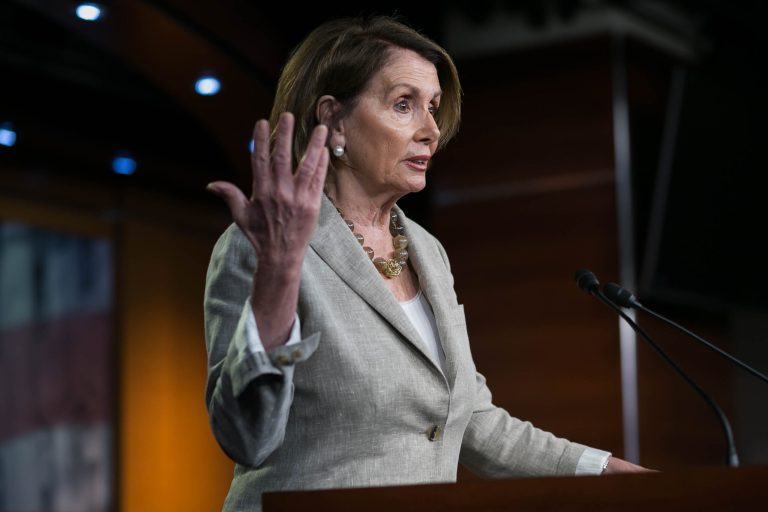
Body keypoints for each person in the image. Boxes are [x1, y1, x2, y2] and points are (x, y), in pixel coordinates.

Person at [203, 15, 649, 511]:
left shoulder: (428, 251)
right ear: (334, 119)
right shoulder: (261, 245)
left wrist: (606, 471)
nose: (431, 131)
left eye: (433, 108)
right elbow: (247, 437)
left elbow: (474, 420)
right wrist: (280, 276)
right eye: (403, 105)